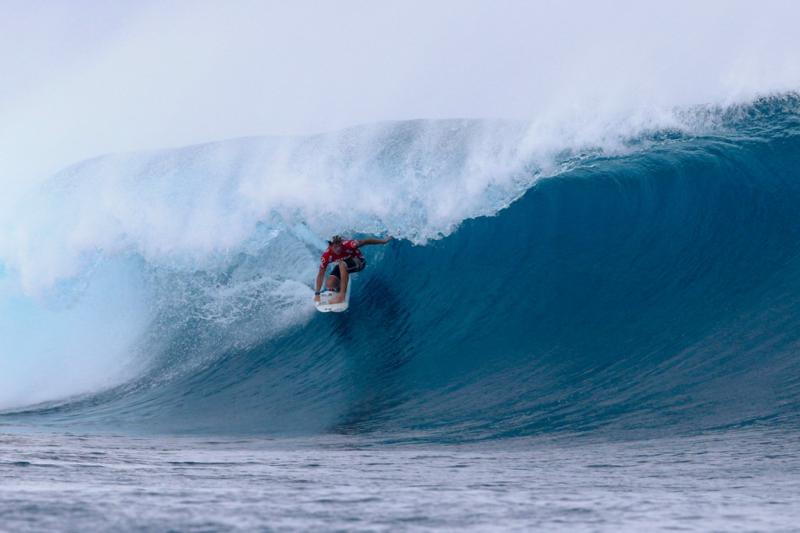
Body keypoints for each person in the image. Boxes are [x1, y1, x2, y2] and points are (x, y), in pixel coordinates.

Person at [314, 235, 392, 304]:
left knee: (341, 264)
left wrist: (383, 241)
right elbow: (321, 274)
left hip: (359, 262)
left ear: (341, 243)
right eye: (335, 247)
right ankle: (339, 287)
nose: (338, 249)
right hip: (344, 264)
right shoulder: (326, 256)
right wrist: (317, 293)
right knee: (330, 284)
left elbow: (366, 241)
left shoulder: (349, 244)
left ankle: (342, 296)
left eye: (339, 246)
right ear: (330, 246)